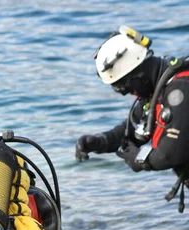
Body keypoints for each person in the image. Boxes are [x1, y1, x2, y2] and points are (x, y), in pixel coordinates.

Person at [75, 25, 189, 213]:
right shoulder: (156, 91)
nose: (124, 93)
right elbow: (131, 130)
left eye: (123, 85)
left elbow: (169, 154)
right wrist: (99, 142)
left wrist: (139, 160)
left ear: (138, 72)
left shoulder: (181, 90)